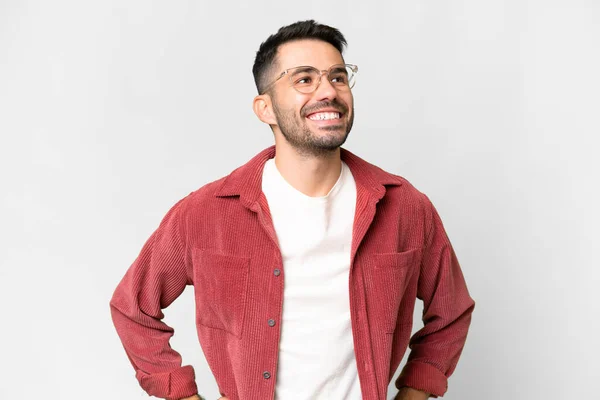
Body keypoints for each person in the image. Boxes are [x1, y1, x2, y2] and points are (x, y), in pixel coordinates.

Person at [110, 20, 475, 400]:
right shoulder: (205, 214)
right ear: (264, 108)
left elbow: (451, 311)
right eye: (304, 79)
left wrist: (414, 393)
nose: (328, 92)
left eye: (338, 77)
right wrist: (182, 394)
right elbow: (132, 309)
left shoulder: (404, 207)